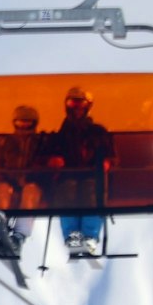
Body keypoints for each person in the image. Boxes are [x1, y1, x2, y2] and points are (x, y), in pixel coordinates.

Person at [55, 86, 114, 257]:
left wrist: (106, 162)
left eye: (81, 104)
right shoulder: (61, 133)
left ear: (88, 107)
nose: (77, 109)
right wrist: (53, 161)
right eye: (73, 103)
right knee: (66, 192)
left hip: (92, 175)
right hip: (67, 176)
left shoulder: (98, 132)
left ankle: (89, 237)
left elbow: (111, 153)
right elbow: (49, 153)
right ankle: (72, 236)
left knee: (92, 194)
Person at [0, 106, 47, 251]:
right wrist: (0, 180)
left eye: (28, 123)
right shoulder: (6, 142)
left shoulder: (41, 142)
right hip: (8, 183)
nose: (24, 126)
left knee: (30, 191)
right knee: (1, 190)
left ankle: (19, 235)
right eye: (20, 123)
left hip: (31, 183)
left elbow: (45, 166)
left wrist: (34, 178)